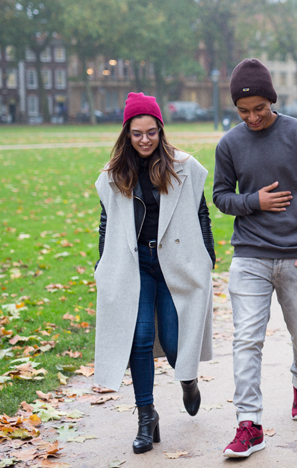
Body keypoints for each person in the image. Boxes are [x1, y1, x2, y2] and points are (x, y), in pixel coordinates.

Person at [212, 59, 297, 458]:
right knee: (246, 338)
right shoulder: (230, 143)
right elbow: (221, 196)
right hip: (250, 255)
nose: (252, 117)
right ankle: (249, 423)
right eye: (243, 111)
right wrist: (254, 202)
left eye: (259, 109)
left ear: (272, 101)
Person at [94, 92, 216, 454]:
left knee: (179, 345)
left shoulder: (185, 166)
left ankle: (188, 379)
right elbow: (106, 222)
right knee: (141, 337)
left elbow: (202, 214)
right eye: (137, 133)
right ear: (126, 135)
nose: (145, 140)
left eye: (151, 132)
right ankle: (147, 416)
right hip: (136, 267)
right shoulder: (113, 175)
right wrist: (103, 264)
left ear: (161, 131)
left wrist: (208, 257)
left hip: (175, 264)